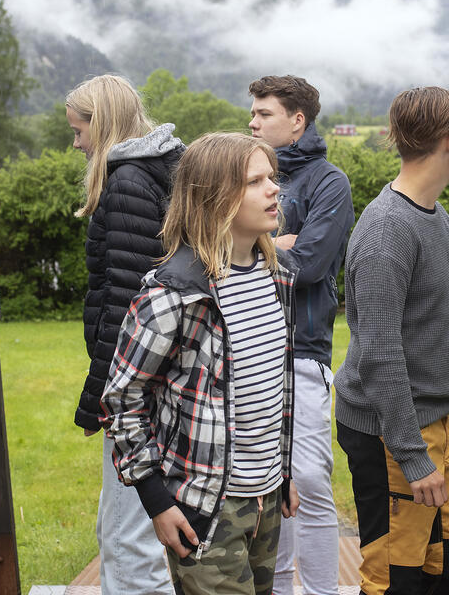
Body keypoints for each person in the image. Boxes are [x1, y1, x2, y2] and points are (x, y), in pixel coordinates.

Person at [101, 132, 300, 595]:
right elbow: (122, 399)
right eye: (255, 181)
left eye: (272, 177)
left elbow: (273, 390)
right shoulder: (173, 295)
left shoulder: (278, 278)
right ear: (214, 197)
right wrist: (155, 500)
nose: (274, 189)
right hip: (204, 507)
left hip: (267, 497)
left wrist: (283, 473)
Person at [333, 86, 449, 595]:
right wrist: (413, 454)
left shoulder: (435, 217)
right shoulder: (385, 232)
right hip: (390, 435)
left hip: (436, 422)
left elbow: (432, 331)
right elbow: (379, 355)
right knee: (396, 580)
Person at [66, 74, 184, 595]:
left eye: (80, 129)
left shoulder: (129, 184)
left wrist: (99, 401)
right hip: (161, 383)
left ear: (104, 122)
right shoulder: (156, 173)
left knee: (126, 543)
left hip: (138, 390)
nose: (76, 143)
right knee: (130, 532)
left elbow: (124, 304)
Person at [248, 75, 353, 595]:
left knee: (308, 484)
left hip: (304, 352)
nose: (252, 121)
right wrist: (275, 241)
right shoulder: (244, 175)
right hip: (247, 352)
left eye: (264, 113)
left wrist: (256, 244)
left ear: (297, 121)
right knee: (268, 489)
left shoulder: (328, 182)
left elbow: (309, 265)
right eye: (252, 113)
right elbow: (217, 248)